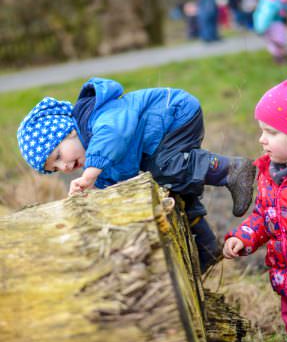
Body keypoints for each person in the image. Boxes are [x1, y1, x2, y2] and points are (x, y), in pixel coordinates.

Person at [17, 77, 255, 273]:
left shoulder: (95, 117)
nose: (64, 168)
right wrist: (95, 199)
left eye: (58, 156)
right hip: (159, 142)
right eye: (54, 169)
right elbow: (122, 187)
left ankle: (229, 170)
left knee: (167, 167)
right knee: (173, 189)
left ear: (68, 131)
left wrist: (90, 173)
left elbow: (115, 133)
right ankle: (207, 246)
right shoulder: (99, 163)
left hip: (174, 115)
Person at [223, 79, 287, 333]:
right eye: (261, 131)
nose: (262, 139)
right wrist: (244, 237)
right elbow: (264, 214)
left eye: (272, 132)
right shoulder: (269, 175)